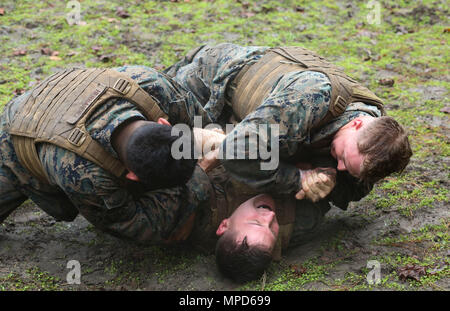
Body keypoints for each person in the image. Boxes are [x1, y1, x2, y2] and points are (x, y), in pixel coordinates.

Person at [0, 65, 224, 242]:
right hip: (17, 132)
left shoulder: (154, 87)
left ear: (164, 123)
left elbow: (204, 124)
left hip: (68, 94)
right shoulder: (84, 175)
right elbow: (135, 225)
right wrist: (200, 174)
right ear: (131, 176)